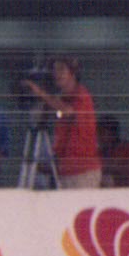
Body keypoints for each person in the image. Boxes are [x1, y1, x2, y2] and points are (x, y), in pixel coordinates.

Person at [24, 56, 100, 189]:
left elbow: (67, 111)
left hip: (83, 172)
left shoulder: (81, 95)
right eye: (54, 70)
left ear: (73, 72)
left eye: (61, 69)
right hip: (65, 171)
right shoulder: (61, 98)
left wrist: (41, 93)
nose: (56, 74)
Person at [98, 117, 129, 189]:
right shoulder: (100, 151)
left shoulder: (127, 148)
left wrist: (110, 167)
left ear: (112, 133)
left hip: (126, 191)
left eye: (102, 132)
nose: (99, 136)